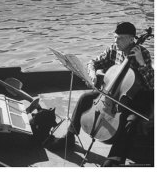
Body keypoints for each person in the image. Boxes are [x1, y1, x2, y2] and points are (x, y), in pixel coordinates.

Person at [49, 22, 154, 166]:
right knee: (85, 98)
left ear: (131, 39)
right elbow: (93, 62)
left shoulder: (143, 53)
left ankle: (114, 159)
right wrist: (92, 73)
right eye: (115, 37)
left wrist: (141, 63)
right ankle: (70, 136)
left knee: (130, 121)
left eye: (121, 38)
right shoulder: (113, 49)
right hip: (112, 93)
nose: (116, 41)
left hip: (135, 98)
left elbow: (152, 84)